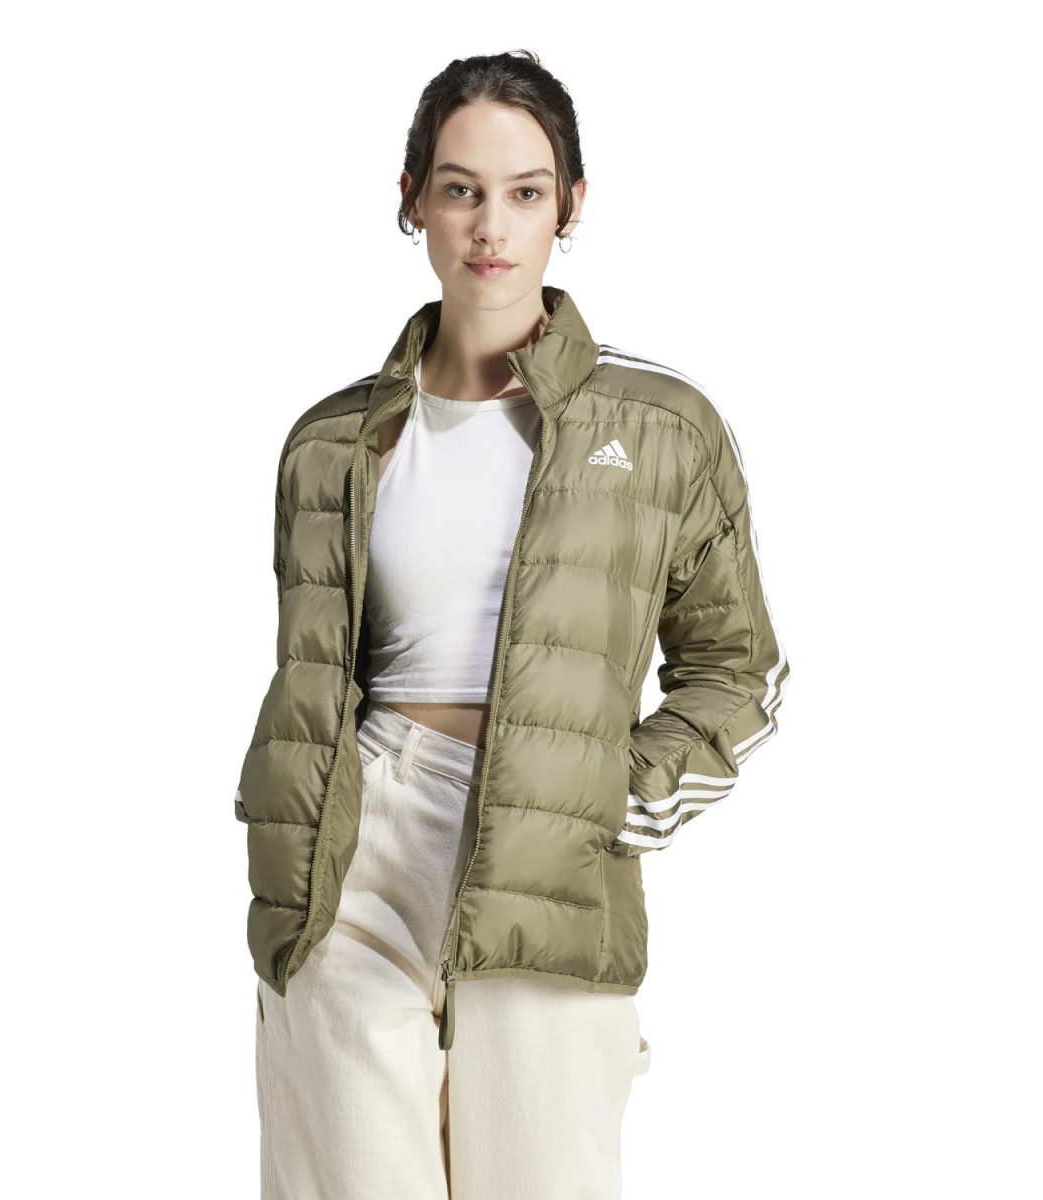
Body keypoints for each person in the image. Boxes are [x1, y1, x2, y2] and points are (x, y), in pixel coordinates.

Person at [234, 49, 790, 1200]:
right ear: (412, 200)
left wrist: (620, 795)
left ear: (570, 206)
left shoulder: (664, 425)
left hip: (550, 860)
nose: (491, 226)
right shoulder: (328, 442)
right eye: (460, 189)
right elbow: (317, 676)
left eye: (525, 192)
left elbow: (740, 671)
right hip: (353, 848)